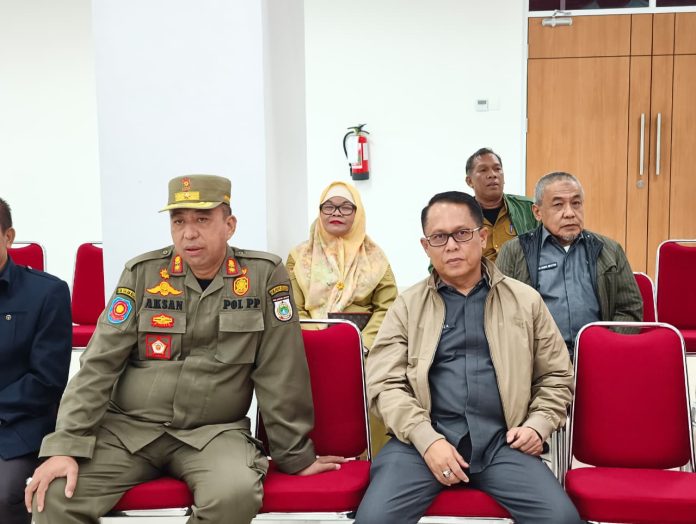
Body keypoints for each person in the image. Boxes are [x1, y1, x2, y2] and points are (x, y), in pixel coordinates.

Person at [25, 175, 344, 524]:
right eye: (178, 222)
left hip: (213, 434)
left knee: (234, 495)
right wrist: (66, 446)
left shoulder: (262, 276)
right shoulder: (143, 274)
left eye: (202, 220)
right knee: (54, 495)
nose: (188, 234)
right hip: (128, 431)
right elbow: (98, 365)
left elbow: (280, 370)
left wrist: (294, 456)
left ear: (229, 225)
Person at [355, 191, 581, 524]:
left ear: (483, 237)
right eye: (439, 237)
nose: (451, 246)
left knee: (561, 519)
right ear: (426, 246)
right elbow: (384, 384)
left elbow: (557, 375)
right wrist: (426, 439)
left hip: (503, 443)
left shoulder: (525, 301)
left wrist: (538, 425)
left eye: (462, 233)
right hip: (420, 445)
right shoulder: (407, 306)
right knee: (374, 519)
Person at [287, 180, 397, 455]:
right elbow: (292, 307)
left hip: (362, 351)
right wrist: (321, 342)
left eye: (346, 207)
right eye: (329, 206)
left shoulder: (376, 258)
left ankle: (369, 463)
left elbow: (388, 306)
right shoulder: (298, 257)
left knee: (367, 405)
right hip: (311, 349)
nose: (336, 212)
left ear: (357, 213)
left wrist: (362, 344)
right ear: (320, 211)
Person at [496, 172, 642, 359]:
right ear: (537, 212)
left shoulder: (609, 250)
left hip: (601, 356)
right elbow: (501, 313)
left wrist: (609, 346)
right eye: (558, 205)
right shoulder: (515, 251)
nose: (570, 213)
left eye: (576, 203)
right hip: (538, 362)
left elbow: (629, 308)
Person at [0, 198, 72, 524]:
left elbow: (47, 380)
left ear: (8, 237)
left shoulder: (46, 293)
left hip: (16, 429)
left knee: (4, 495)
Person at [465, 147, 537, 261]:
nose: (492, 175)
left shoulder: (529, 208)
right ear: (470, 181)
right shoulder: (461, 216)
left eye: (497, 169)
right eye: (483, 170)